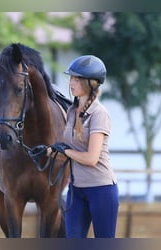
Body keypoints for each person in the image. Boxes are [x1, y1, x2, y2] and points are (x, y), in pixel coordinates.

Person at [50, 55, 119, 238]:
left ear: (90, 83)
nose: (71, 82)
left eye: (77, 79)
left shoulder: (99, 114)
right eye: (71, 78)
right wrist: (52, 151)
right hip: (76, 191)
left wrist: (65, 150)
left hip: (101, 190)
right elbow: (72, 149)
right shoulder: (72, 111)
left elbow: (90, 158)